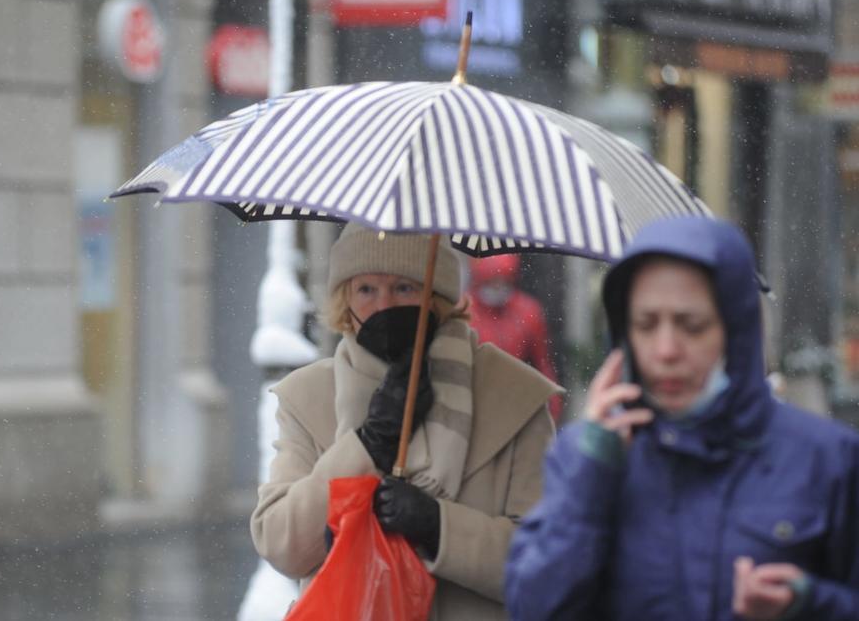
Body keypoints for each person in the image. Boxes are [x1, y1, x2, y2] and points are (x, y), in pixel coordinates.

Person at [504, 216, 859, 620]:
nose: (667, 349)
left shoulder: (826, 459)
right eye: (646, 325)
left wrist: (809, 604)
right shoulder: (582, 456)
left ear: (735, 330)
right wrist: (590, 485)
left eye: (692, 326)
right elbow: (532, 609)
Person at [251, 222, 561, 620]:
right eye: (366, 289)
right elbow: (281, 543)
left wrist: (438, 527)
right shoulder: (308, 396)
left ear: (438, 298)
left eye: (404, 288)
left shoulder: (512, 396)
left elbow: (546, 567)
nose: (384, 306)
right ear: (344, 301)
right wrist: (368, 445)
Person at [468, 255, 561, 421]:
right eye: (492, 282)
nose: (497, 288)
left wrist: (552, 408)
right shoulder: (463, 311)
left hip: (515, 399)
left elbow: (543, 365)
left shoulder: (528, 311)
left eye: (503, 282)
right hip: (472, 398)